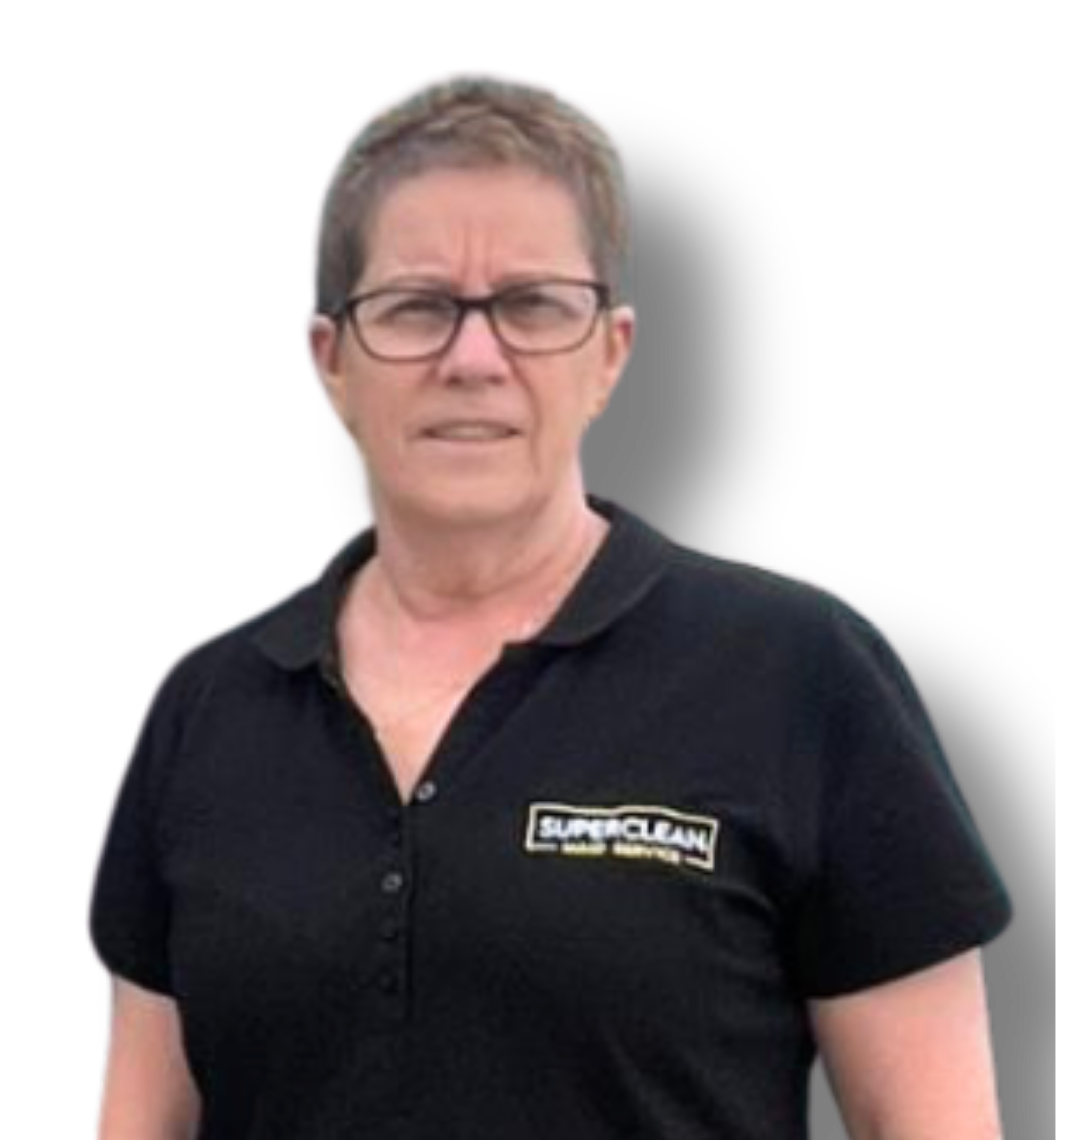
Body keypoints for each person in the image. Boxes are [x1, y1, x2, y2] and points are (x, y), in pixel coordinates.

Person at [88, 68, 1015, 1139]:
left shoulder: (801, 676)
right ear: (328, 361)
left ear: (609, 350)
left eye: (531, 305)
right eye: (417, 307)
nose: (473, 359)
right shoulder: (205, 711)